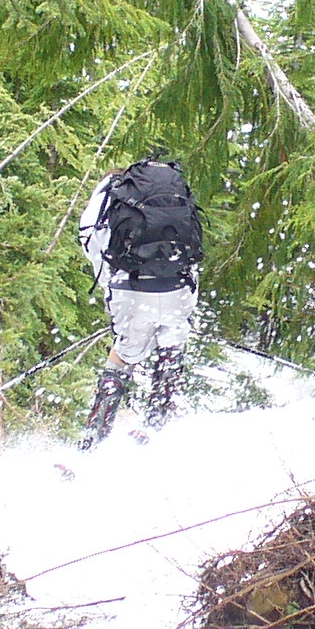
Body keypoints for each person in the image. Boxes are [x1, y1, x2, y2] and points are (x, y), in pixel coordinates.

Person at [75, 157, 205, 448]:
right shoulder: (174, 197)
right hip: (178, 287)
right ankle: (157, 425)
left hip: (130, 289)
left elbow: (89, 238)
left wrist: (112, 281)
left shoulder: (110, 193)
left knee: (123, 354)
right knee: (171, 346)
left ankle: (93, 439)